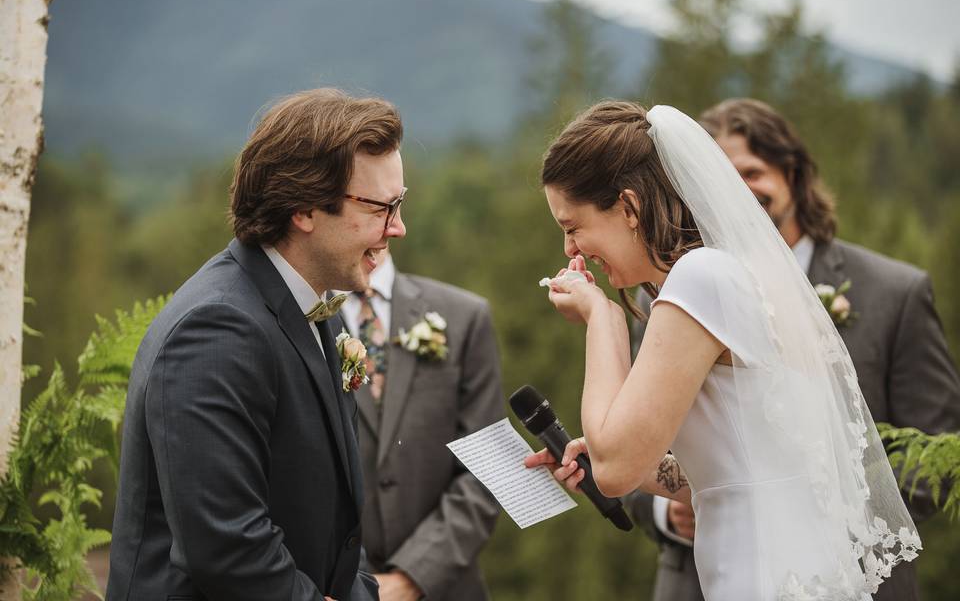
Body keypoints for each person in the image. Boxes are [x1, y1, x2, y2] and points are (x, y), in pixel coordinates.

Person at [524, 100, 922, 600]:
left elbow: (615, 469)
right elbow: (724, 474)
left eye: (571, 227)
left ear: (628, 207)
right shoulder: (733, 273)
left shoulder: (701, 277)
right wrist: (619, 459)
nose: (570, 251)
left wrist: (602, 321)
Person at [624, 98, 960, 601]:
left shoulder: (895, 293)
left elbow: (938, 452)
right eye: (714, 173)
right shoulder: (660, 298)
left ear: (794, 174)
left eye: (752, 171)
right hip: (700, 578)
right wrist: (666, 509)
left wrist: (823, 508)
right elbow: (634, 442)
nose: (733, 188)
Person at [107, 88, 406, 601]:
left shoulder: (315, 309)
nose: (398, 228)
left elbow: (325, 527)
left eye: (398, 204)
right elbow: (225, 548)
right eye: (381, 207)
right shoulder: (216, 329)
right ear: (306, 208)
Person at [339, 247, 503, 601]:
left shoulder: (464, 316)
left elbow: (487, 470)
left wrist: (411, 578)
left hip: (445, 589)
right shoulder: (302, 322)